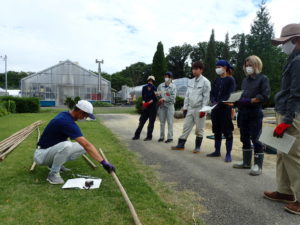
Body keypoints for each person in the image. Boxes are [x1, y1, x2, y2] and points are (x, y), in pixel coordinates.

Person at [264, 23, 300, 215]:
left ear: (296, 40)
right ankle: (285, 191)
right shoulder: (293, 59)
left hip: (293, 114)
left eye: (285, 41)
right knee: (283, 153)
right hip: (286, 111)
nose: (283, 45)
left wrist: (287, 120)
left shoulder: (298, 61)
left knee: (293, 155)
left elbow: (297, 94)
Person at [34, 100, 115, 184]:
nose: (85, 118)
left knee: (82, 147)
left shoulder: (65, 115)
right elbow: (86, 144)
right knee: (67, 145)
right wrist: (103, 163)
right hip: (41, 155)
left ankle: (54, 165)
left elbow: (85, 145)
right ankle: (53, 174)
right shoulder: (66, 122)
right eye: (85, 115)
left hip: (48, 150)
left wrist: (103, 162)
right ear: (80, 112)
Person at [233, 55, 270, 176]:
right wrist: (237, 100)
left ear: (256, 65)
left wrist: (250, 101)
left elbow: (264, 96)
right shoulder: (245, 80)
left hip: (255, 112)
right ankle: (246, 162)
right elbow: (242, 95)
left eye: (250, 65)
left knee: (256, 138)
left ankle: (257, 165)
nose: (248, 67)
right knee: (244, 137)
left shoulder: (263, 79)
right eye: (246, 65)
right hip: (243, 112)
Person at [172, 61, 211, 152]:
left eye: (196, 69)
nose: (194, 71)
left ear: (201, 70)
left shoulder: (206, 82)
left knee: (199, 129)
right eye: (193, 69)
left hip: (199, 108)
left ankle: (197, 147)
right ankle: (181, 144)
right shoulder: (190, 81)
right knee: (186, 126)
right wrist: (185, 107)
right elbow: (187, 95)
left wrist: (203, 110)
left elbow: (206, 97)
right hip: (190, 108)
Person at [206, 60, 236, 162]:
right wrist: (213, 101)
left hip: (225, 109)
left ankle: (228, 154)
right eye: (216, 66)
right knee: (216, 130)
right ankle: (217, 151)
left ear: (225, 67)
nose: (217, 68)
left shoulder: (230, 80)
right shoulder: (216, 80)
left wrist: (220, 102)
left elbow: (230, 94)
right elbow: (212, 93)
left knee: (227, 131)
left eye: (219, 66)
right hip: (215, 109)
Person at [132, 76, 158, 141]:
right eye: (149, 80)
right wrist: (144, 103)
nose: (150, 82)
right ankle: (136, 135)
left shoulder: (155, 88)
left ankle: (149, 137)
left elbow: (155, 98)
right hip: (146, 107)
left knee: (151, 123)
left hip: (152, 107)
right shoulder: (144, 88)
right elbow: (143, 96)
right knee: (141, 121)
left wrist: (148, 103)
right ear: (147, 81)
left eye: (151, 81)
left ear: (153, 82)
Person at [157, 72, 177, 143]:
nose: (166, 78)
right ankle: (161, 137)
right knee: (162, 122)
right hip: (162, 106)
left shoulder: (173, 86)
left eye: (168, 77)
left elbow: (173, 97)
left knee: (170, 122)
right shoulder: (160, 86)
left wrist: (164, 99)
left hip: (170, 106)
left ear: (171, 78)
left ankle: (170, 137)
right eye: (165, 76)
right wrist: (158, 96)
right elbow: (158, 94)